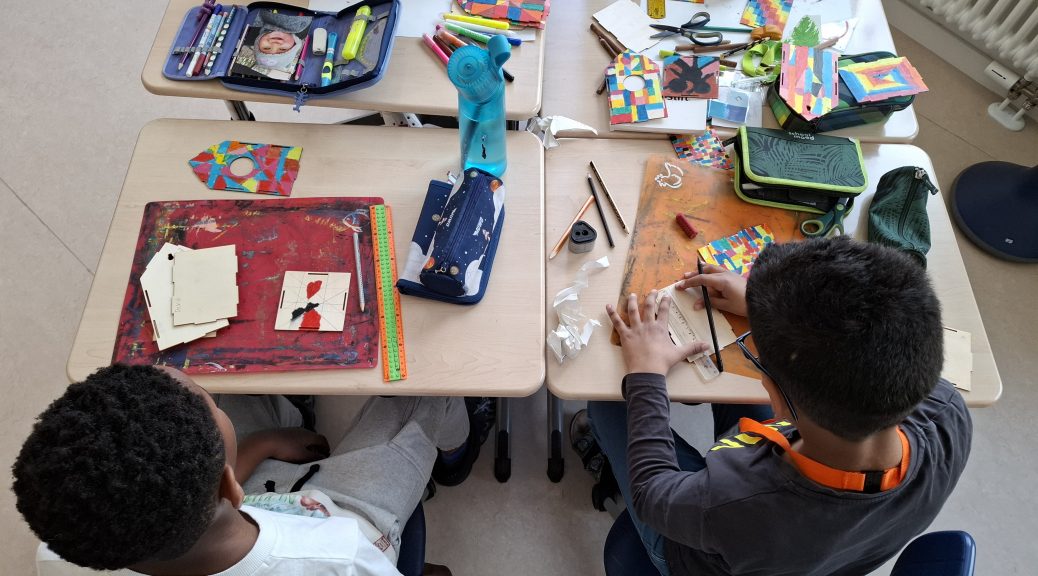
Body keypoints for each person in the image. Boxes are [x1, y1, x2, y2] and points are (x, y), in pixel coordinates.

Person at [583, 236, 972, 575]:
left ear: (774, 395)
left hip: (693, 556)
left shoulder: (737, 500)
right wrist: (767, 312)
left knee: (608, 402)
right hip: (817, 553)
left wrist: (647, 375)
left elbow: (653, 493)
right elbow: (865, 347)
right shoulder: (948, 414)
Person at [13, 364, 484, 575]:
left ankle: (290, 421)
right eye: (208, 405)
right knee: (427, 388)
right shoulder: (341, 560)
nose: (209, 396)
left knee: (238, 382)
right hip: (341, 518)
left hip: (253, 505)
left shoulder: (63, 551)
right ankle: (455, 457)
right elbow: (354, 553)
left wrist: (262, 443)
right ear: (228, 481)